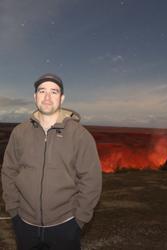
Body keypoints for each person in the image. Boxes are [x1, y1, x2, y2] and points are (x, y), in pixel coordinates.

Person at [1, 73, 102, 250]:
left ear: (62, 98)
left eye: (54, 92)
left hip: (65, 225)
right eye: (42, 91)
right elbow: (9, 171)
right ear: (35, 96)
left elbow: (91, 179)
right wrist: (14, 211)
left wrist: (79, 220)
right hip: (25, 224)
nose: (47, 97)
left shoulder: (79, 135)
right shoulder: (20, 132)